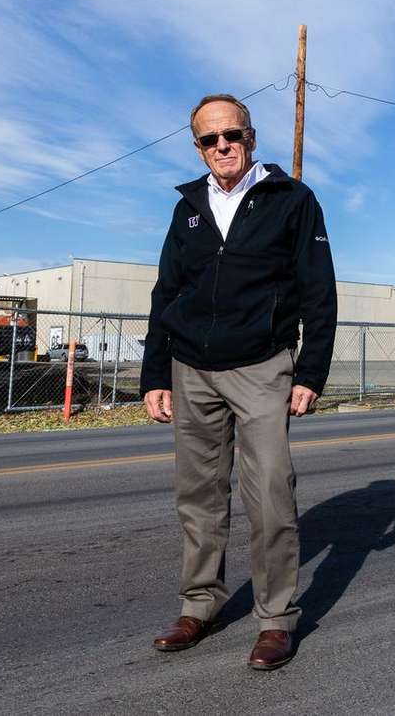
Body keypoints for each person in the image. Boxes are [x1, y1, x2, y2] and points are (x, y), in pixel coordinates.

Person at [140, 93, 337, 671]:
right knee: (199, 497)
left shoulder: (291, 200)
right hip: (191, 368)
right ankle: (199, 605)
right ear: (197, 147)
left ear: (251, 137)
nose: (222, 146)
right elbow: (166, 292)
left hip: (261, 367)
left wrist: (311, 372)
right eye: (209, 139)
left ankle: (276, 620)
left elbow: (318, 290)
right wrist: (156, 373)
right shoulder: (188, 208)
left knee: (271, 491)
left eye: (232, 135)